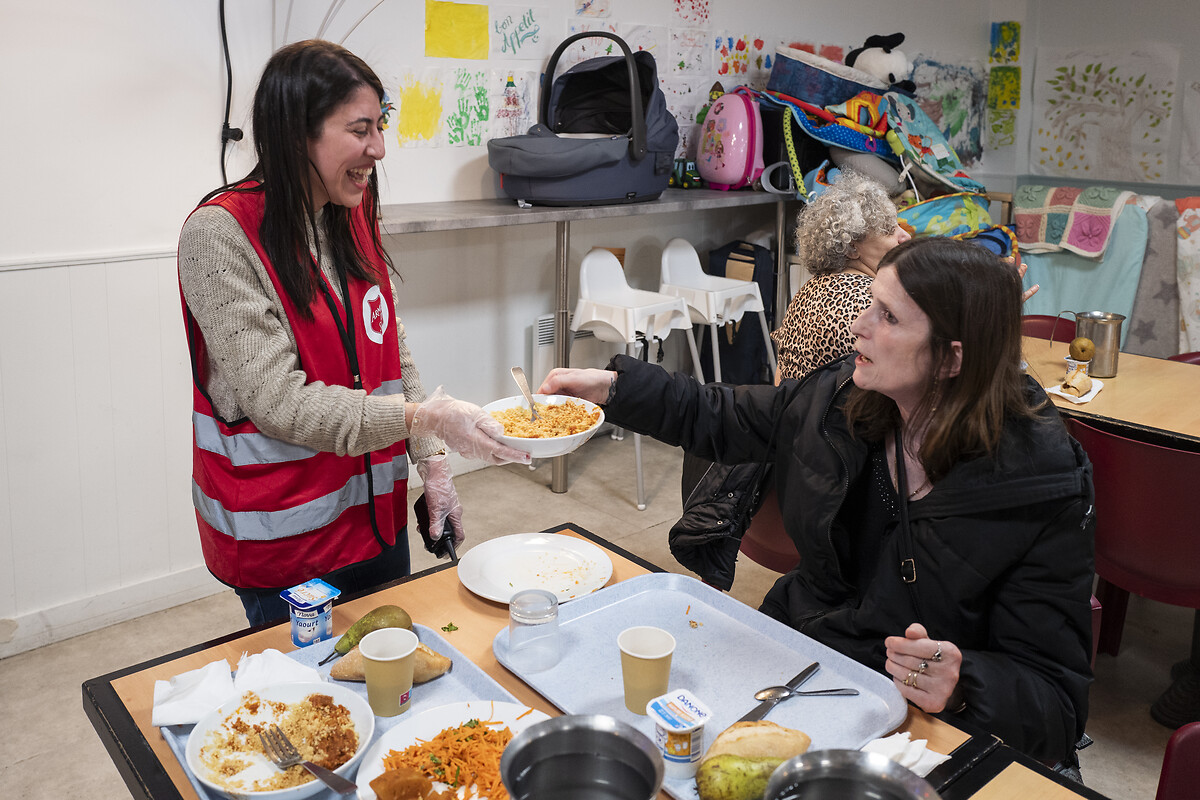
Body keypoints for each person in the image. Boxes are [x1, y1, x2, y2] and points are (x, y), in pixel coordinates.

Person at [540, 237, 1094, 767]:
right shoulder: (845, 400)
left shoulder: (1038, 488)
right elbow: (723, 413)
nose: (858, 326)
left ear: (952, 360)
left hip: (919, 728)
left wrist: (963, 681)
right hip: (810, 655)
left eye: (889, 318)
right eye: (870, 304)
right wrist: (613, 388)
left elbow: (1057, 705)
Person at [178, 40, 528, 626]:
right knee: (310, 707)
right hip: (287, 546)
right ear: (297, 136)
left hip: (375, 521)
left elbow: (394, 355)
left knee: (393, 687)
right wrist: (423, 419)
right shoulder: (220, 237)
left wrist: (433, 465)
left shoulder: (352, 214)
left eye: (381, 125)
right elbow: (279, 403)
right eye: (360, 129)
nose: (379, 149)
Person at [772, 170, 912, 381]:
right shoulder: (870, 305)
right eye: (888, 230)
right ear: (852, 249)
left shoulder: (807, 291)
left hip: (791, 412)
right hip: (834, 414)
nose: (906, 235)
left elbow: (779, 377)